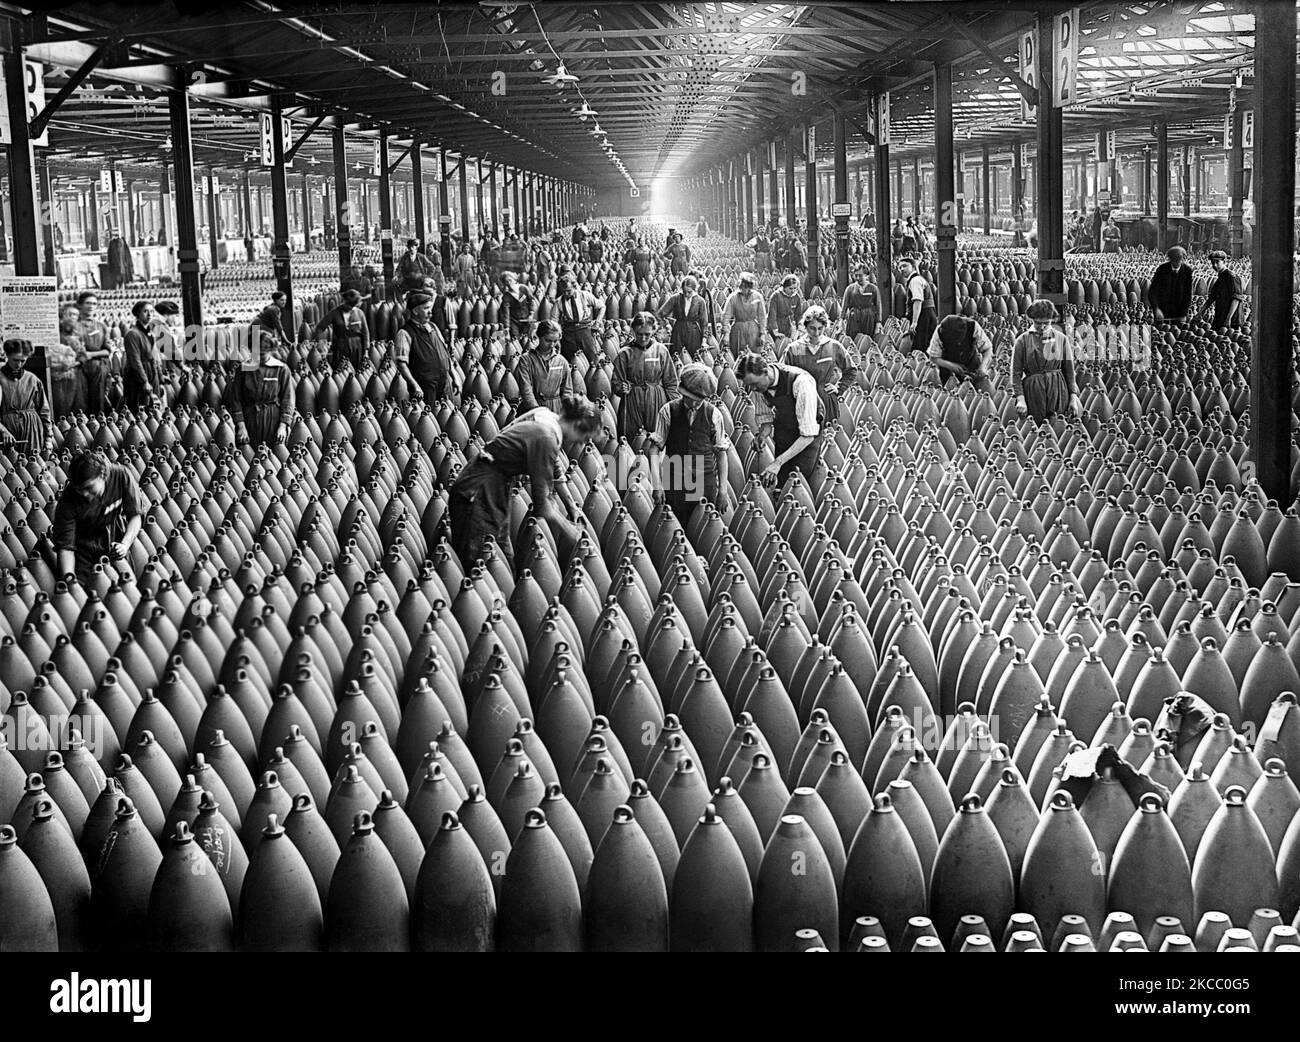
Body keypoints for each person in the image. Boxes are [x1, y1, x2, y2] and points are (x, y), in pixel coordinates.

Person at [447, 397, 599, 571]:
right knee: (482, 562)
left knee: (501, 557)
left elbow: (554, 465)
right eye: (584, 437)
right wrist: (573, 534)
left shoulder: (544, 416)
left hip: (492, 485)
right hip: (478, 491)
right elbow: (544, 508)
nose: (581, 442)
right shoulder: (546, 437)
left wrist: (571, 505)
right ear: (576, 424)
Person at [645, 363, 730, 525]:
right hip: (676, 481)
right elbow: (654, 450)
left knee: (705, 529)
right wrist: (657, 485)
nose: (695, 403)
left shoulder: (714, 415)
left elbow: (721, 454)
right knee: (675, 527)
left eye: (700, 400)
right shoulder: (668, 411)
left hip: (704, 481)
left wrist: (723, 491)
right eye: (692, 399)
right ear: (683, 393)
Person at [50, 449, 148, 583]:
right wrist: (69, 580)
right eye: (80, 490)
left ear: (102, 475)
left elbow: (135, 515)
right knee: (84, 590)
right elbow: (66, 548)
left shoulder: (121, 475)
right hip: (83, 548)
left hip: (114, 539)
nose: (85, 494)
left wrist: (125, 544)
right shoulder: (68, 501)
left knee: (126, 586)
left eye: (89, 488)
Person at [735, 352, 822, 486]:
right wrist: (762, 435)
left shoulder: (801, 383)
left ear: (766, 372)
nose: (752, 389)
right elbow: (767, 419)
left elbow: (808, 435)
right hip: (785, 428)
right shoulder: (759, 387)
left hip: (807, 437)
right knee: (781, 480)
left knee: (798, 481)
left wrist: (778, 463)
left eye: (754, 384)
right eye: (749, 385)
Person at [780, 304, 864, 425]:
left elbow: (851, 370)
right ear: (805, 327)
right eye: (812, 328)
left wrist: (839, 388)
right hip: (802, 402)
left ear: (825, 327)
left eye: (820, 328)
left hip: (826, 401)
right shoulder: (795, 349)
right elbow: (781, 375)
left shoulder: (833, 346)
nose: (817, 333)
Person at [611, 311, 678, 441]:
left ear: (654, 330)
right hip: (632, 400)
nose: (643, 338)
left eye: (647, 334)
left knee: (657, 438)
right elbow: (616, 383)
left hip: (656, 399)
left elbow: (671, 382)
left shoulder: (661, 351)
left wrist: (676, 408)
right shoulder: (624, 354)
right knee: (632, 438)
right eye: (639, 334)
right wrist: (621, 388)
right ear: (633, 331)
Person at [1012, 300, 1081, 423]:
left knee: (1058, 425)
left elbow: (1069, 371)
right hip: (1033, 391)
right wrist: (1020, 399)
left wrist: (1073, 397)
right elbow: (1016, 374)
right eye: (1038, 323)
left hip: (1058, 389)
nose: (1042, 327)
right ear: (1032, 320)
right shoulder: (1022, 341)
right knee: (1036, 427)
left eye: (1046, 323)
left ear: (1052, 321)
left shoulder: (1061, 339)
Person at [227, 326, 294, 448]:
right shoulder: (243, 369)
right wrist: (241, 427)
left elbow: (288, 399)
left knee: (274, 458)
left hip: (273, 420)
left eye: (262, 354)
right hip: (250, 420)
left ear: (271, 350)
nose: (258, 356)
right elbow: (236, 400)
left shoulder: (281, 369)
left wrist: (283, 426)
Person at [394, 289, 453, 403]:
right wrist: (415, 386)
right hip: (424, 387)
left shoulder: (433, 327)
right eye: (426, 308)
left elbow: (446, 353)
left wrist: (454, 377)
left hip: (443, 382)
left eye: (430, 308)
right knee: (428, 417)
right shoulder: (404, 333)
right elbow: (401, 364)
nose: (430, 312)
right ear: (415, 311)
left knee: (444, 417)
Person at [0, 339, 53, 455]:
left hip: (32, 432)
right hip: (7, 433)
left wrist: (48, 438)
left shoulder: (33, 379)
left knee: (33, 466)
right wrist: (3, 430)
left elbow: (44, 411)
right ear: (7, 356)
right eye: (15, 360)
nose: (18, 365)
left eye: (23, 361)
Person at [516, 320, 577, 414]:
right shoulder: (526, 359)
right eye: (548, 340)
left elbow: (567, 391)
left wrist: (568, 412)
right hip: (532, 409)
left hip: (556, 409)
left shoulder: (561, 361)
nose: (552, 345)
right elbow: (526, 390)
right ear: (539, 337)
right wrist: (536, 411)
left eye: (555, 341)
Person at [927, 314, 995, 394]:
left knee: (976, 395)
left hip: (972, 366)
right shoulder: (939, 332)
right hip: (949, 371)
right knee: (950, 398)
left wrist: (982, 367)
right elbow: (933, 357)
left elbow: (988, 349)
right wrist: (951, 366)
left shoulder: (973, 326)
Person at [74, 291, 117, 413]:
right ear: (80, 305)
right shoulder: (73, 326)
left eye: (94, 303)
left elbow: (108, 350)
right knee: (80, 401)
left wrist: (90, 354)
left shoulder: (101, 326)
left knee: (98, 401)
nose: (91, 306)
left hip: (98, 368)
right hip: (78, 368)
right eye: (88, 303)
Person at [312, 288, 371, 369]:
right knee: (340, 371)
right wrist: (321, 343)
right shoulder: (335, 313)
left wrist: (366, 351)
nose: (350, 308)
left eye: (352, 306)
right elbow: (320, 328)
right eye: (349, 305)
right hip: (340, 347)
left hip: (357, 348)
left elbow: (365, 332)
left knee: (357, 372)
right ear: (344, 301)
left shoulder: (360, 313)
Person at [656, 275, 708, 359]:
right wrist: (664, 325)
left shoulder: (700, 301)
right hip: (678, 332)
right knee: (676, 357)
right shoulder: (675, 298)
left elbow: (704, 322)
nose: (686, 294)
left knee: (694, 357)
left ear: (694, 290)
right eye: (684, 292)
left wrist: (704, 341)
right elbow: (660, 314)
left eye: (689, 292)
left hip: (694, 334)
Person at [555, 275, 605, 364]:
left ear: (574, 287)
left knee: (592, 359)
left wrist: (597, 322)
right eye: (564, 292)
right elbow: (553, 321)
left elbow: (602, 306)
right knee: (570, 361)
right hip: (568, 334)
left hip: (585, 331)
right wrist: (557, 337)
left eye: (569, 291)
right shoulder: (558, 302)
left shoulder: (585, 295)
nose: (566, 294)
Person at [122, 300, 161, 410]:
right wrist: (144, 381)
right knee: (139, 408)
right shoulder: (132, 334)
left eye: (151, 311)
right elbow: (135, 361)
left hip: (151, 372)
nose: (149, 315)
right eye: (145, 311)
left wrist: (160, 376)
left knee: (154, 407)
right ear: (138, 314)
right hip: (137, 376)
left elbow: (154, 356)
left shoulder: (150, 333)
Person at [52, 304, 88, 418]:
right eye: (70, 314)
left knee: (77, 405)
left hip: (75, 373)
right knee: (60, 405)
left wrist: (75, 363)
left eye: (76, 315)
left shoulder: (78, 334)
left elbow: (83, 354)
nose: (73, 317)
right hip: (56, 375)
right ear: (62, 315)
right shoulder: (54, 332)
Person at [1194, 250, 1245, 332]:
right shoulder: (1220, 278)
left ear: (1224, 261)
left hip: (1232, 318)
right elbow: (1211, 298)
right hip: (1221, 315)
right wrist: (1200, 313)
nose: (1214, 265)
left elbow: (1236, 299)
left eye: (1217, 262)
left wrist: (1228, 318)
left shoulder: (1232, 277)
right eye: (1212, 263)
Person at [721, 272, 768, 355]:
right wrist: (726, 334)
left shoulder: (758, 296)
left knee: (754, 357)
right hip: (738, 330)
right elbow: (726, 316)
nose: (745, 290)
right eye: (743, 287)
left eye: (748, 287)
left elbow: (762, 316)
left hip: (754, 331)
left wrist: (762, 334)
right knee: (738, 354)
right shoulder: (733, 297)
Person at [900, 256, 937, 354]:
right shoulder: (917, 279)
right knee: (927, 345)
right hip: (927, 314)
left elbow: (917, 301)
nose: (902, 269)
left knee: (920, 348)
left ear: (912, 266)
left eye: (905, 266)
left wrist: (915, 322)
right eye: (900, 267)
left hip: (923, 316)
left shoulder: (915, 281)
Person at [1149, 246, 1193, 323]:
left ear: (1183, 259)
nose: (1177, 262)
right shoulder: (1162, 269)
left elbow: (1188, 294)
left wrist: (1183, 313)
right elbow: (1153, 291)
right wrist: (1156, 308)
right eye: (1174, 260)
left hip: (1179, 311)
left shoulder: (1187, 271)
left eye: (1179, 260)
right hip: (1162, 310)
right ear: (1170, 259)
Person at [841, 265, 881, 341]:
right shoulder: (850, 289)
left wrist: (878, 323)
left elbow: (878, 307)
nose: (858, 278)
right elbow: (844, 306)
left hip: (868, 318)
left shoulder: (873, 288)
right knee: (853, 339)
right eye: (856, 276)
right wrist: (841, 321)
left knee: (867, 340)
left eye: (860, 275)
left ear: (866, 276)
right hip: (854, 318)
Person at [767, 273, 806, 345]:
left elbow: (798, 315)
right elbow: (772, 316)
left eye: (795, 288)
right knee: (778, 345)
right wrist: (775, 331)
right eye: (790, 288)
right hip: (776, 325)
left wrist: (800, 326)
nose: (793, 291)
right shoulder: (776, 296)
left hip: (789, 325)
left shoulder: (796, 297)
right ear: (784, 287)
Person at [501, 271, 537, 340]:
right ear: (504, 284)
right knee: (516, 339)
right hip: (514, 321)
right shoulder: (506, 296)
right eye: (506, 282)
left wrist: (531, 314)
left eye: (510, 280)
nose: (509, 283)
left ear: (514, 279)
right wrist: (507, 329)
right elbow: (506, 313)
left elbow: (532, 301)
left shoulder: (524, 288)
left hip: (526, 319)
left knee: (527, 339)